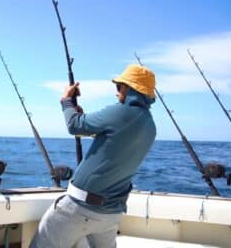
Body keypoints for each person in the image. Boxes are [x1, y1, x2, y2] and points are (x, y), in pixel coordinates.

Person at [30, 64, 157, 248]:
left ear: (131, 89)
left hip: (79, 209)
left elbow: (74, 125)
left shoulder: (121, 112)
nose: (117, 92)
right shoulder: (150, 126)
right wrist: (80, 116)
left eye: (119, 86)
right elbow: (111, 136)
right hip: (110, 215)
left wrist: (66, 101)